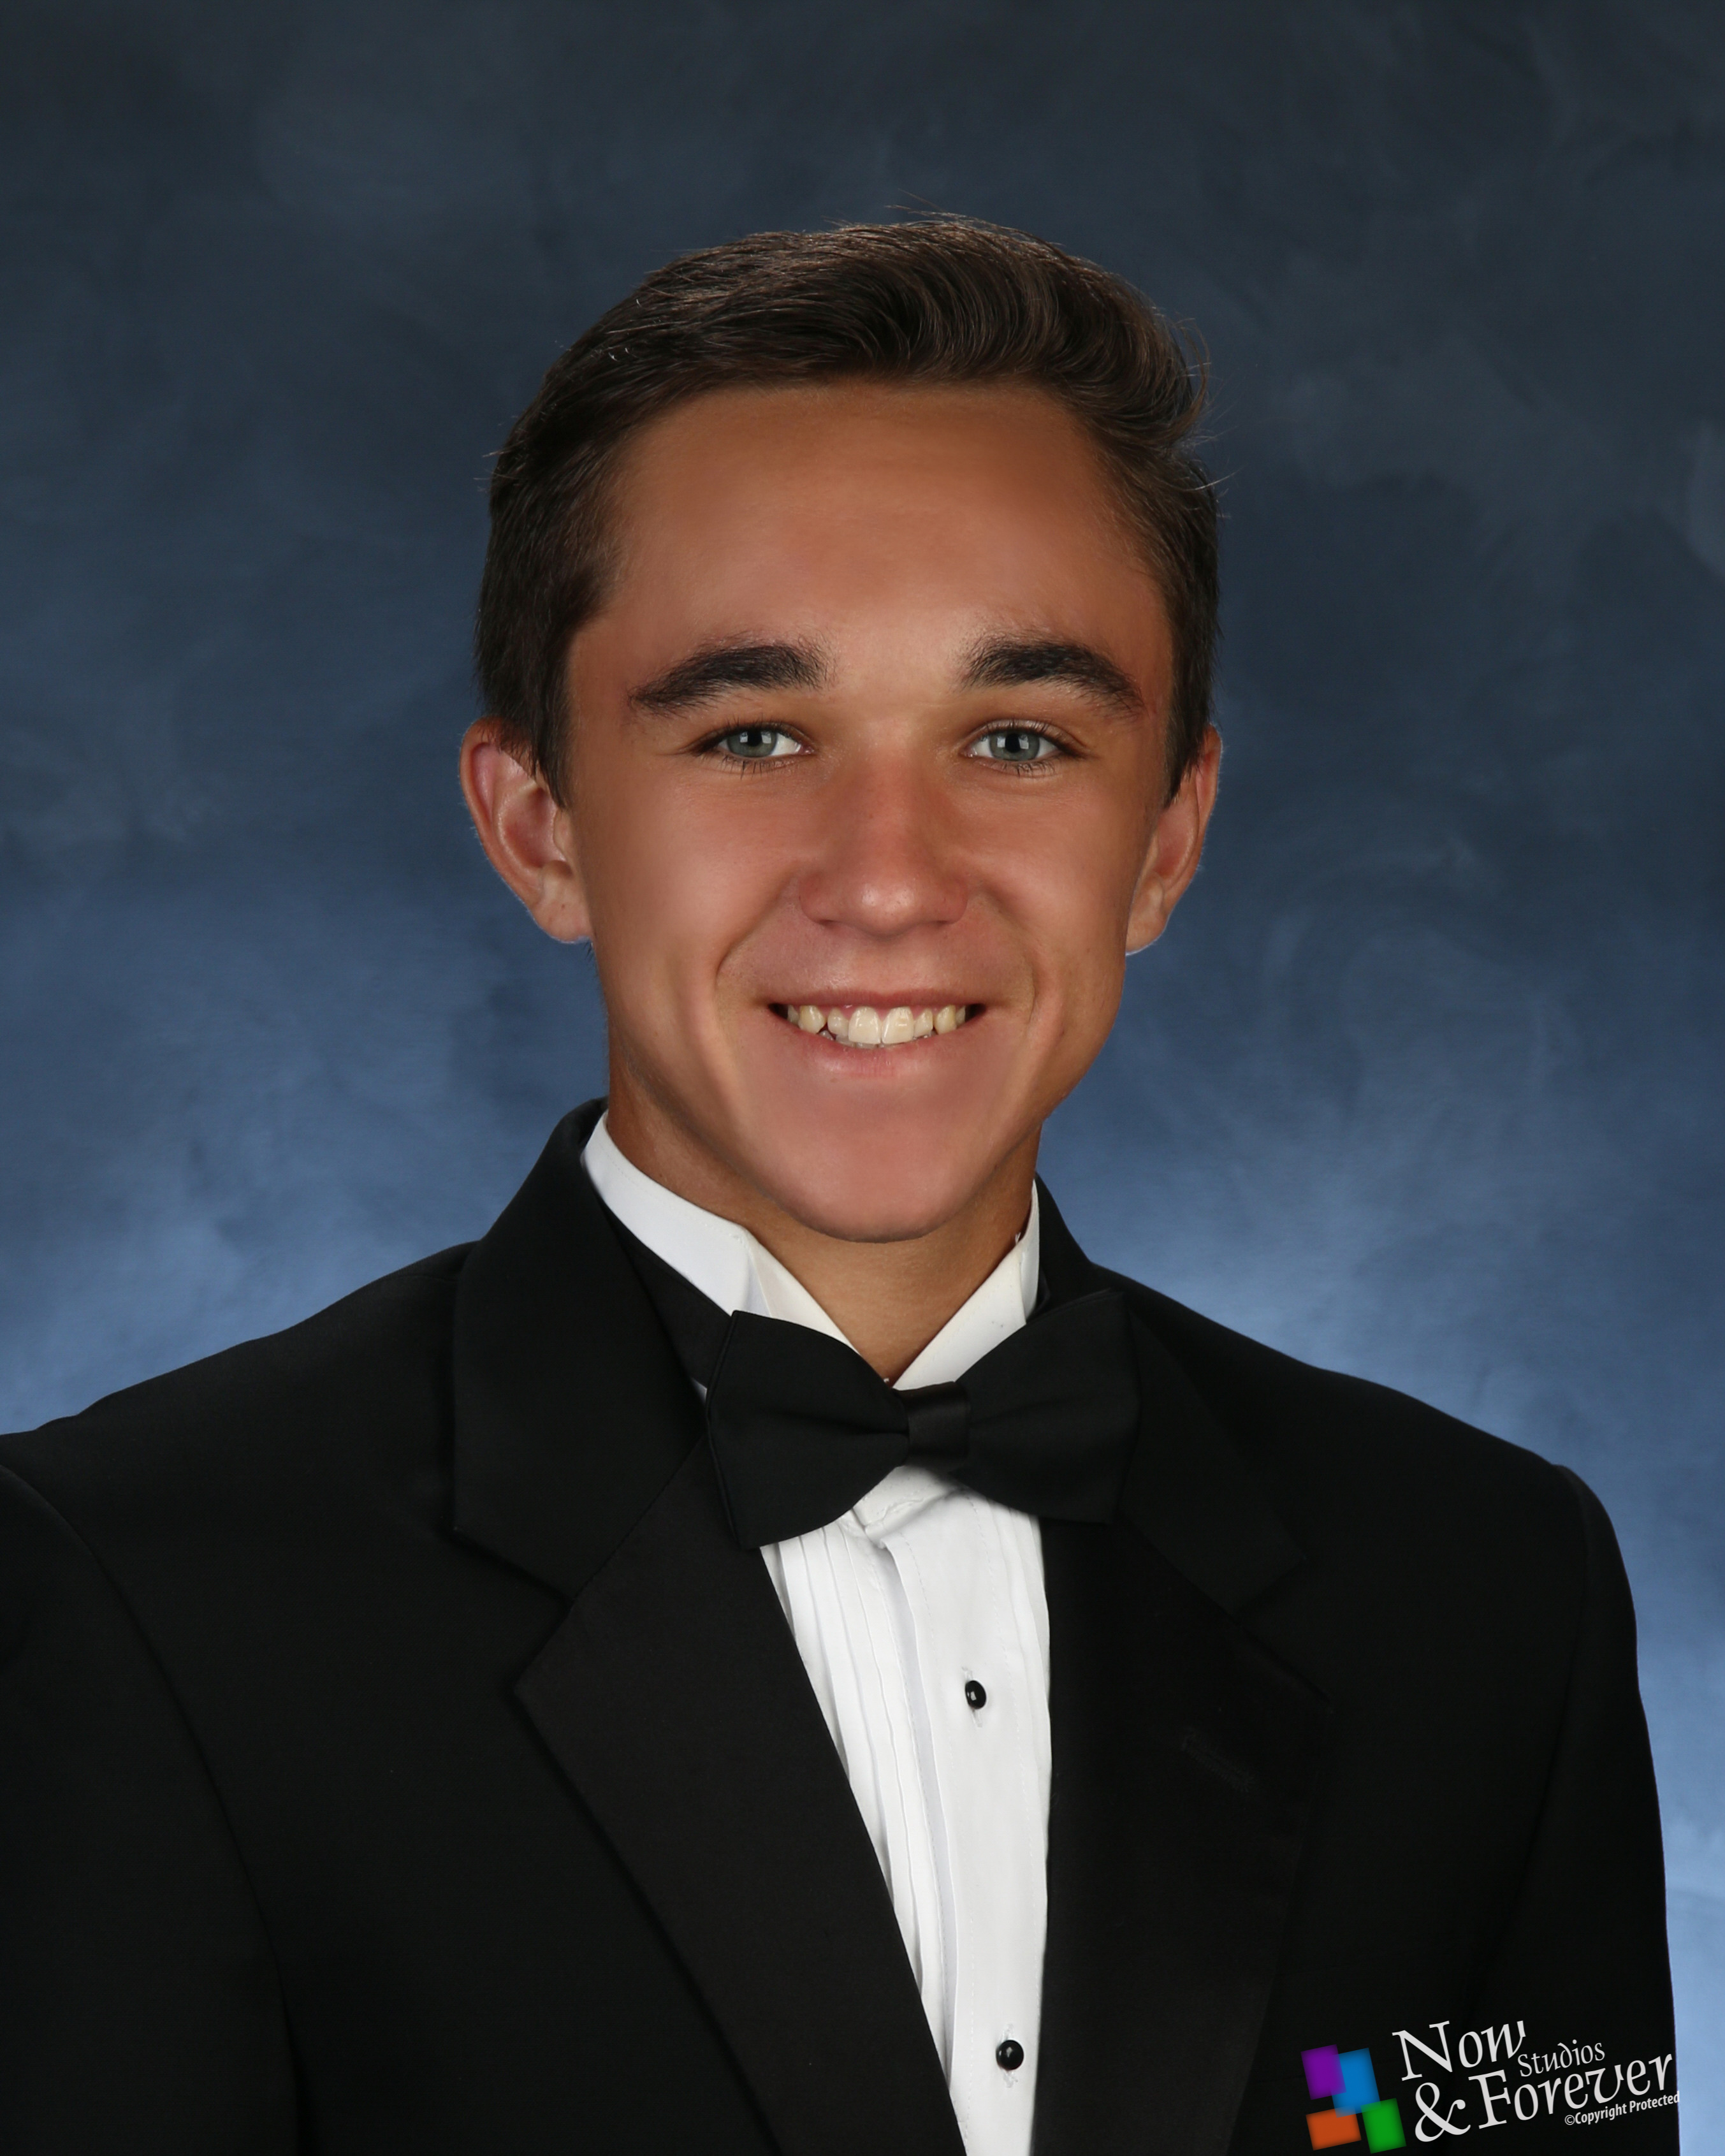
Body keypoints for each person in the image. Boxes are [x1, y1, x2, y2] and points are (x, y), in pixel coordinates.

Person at [0, 221, 1677, 2155]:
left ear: (1165, 841)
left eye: (1018, 740)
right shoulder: (135, 1586)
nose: (887, 879)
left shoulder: (1481, 1589)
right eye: (754, 736)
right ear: (541, 830)